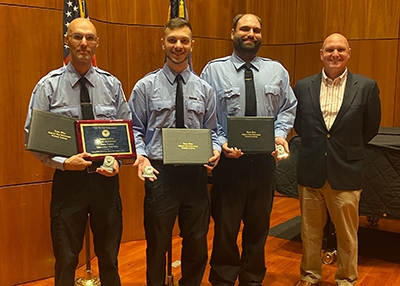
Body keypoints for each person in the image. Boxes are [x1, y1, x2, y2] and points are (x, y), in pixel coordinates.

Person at [24, 18, 130, 286]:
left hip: (106, 181)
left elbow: (125, 131)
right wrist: (61, 162)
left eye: (90, 38)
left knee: (109, 257)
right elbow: (32, 136)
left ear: (97, 43)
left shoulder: (111, 85)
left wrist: (117, 161)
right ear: (66, 41)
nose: (84, 43)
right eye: (77, 37)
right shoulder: (48, 86)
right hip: (69, 183)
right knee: (66, 257)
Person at [200, 13, 297, 285]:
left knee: (258, 227)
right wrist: (220, 142)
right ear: (233, 32)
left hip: (264, 163)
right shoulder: (213, 70)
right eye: (245, 28)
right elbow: (208, 114)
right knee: (225, 228)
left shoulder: (277, 71)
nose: (250, 34)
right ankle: (222, 278)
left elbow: (288, 108)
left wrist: (279, 136)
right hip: (229, 163)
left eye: (256, 29)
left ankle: (253, 278)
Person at [128, 17, 221, 286]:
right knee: (157, 243)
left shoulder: (204, 89)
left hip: (194, 174)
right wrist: (141, 156)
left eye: (183, 41)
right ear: (163, 43)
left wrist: (214, 150)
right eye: (172, 40)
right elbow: (134, 127)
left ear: (192, 45)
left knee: (196, 241)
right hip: (161, 174)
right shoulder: (145, 86)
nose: (178, 46)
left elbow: (212, 130)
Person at [293, 33, 381, 286]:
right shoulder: (303, 86)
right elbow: (300, 124)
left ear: (349, 53)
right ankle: (310, 276)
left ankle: (346, 279)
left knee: (346, 234)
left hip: (346, 171)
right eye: (330, 49)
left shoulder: (366, 86)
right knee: (310, 232)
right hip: (311, 170)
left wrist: (344, 148)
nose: (335, 54)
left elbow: (370, 127)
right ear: (321, 53)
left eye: (340, 49)